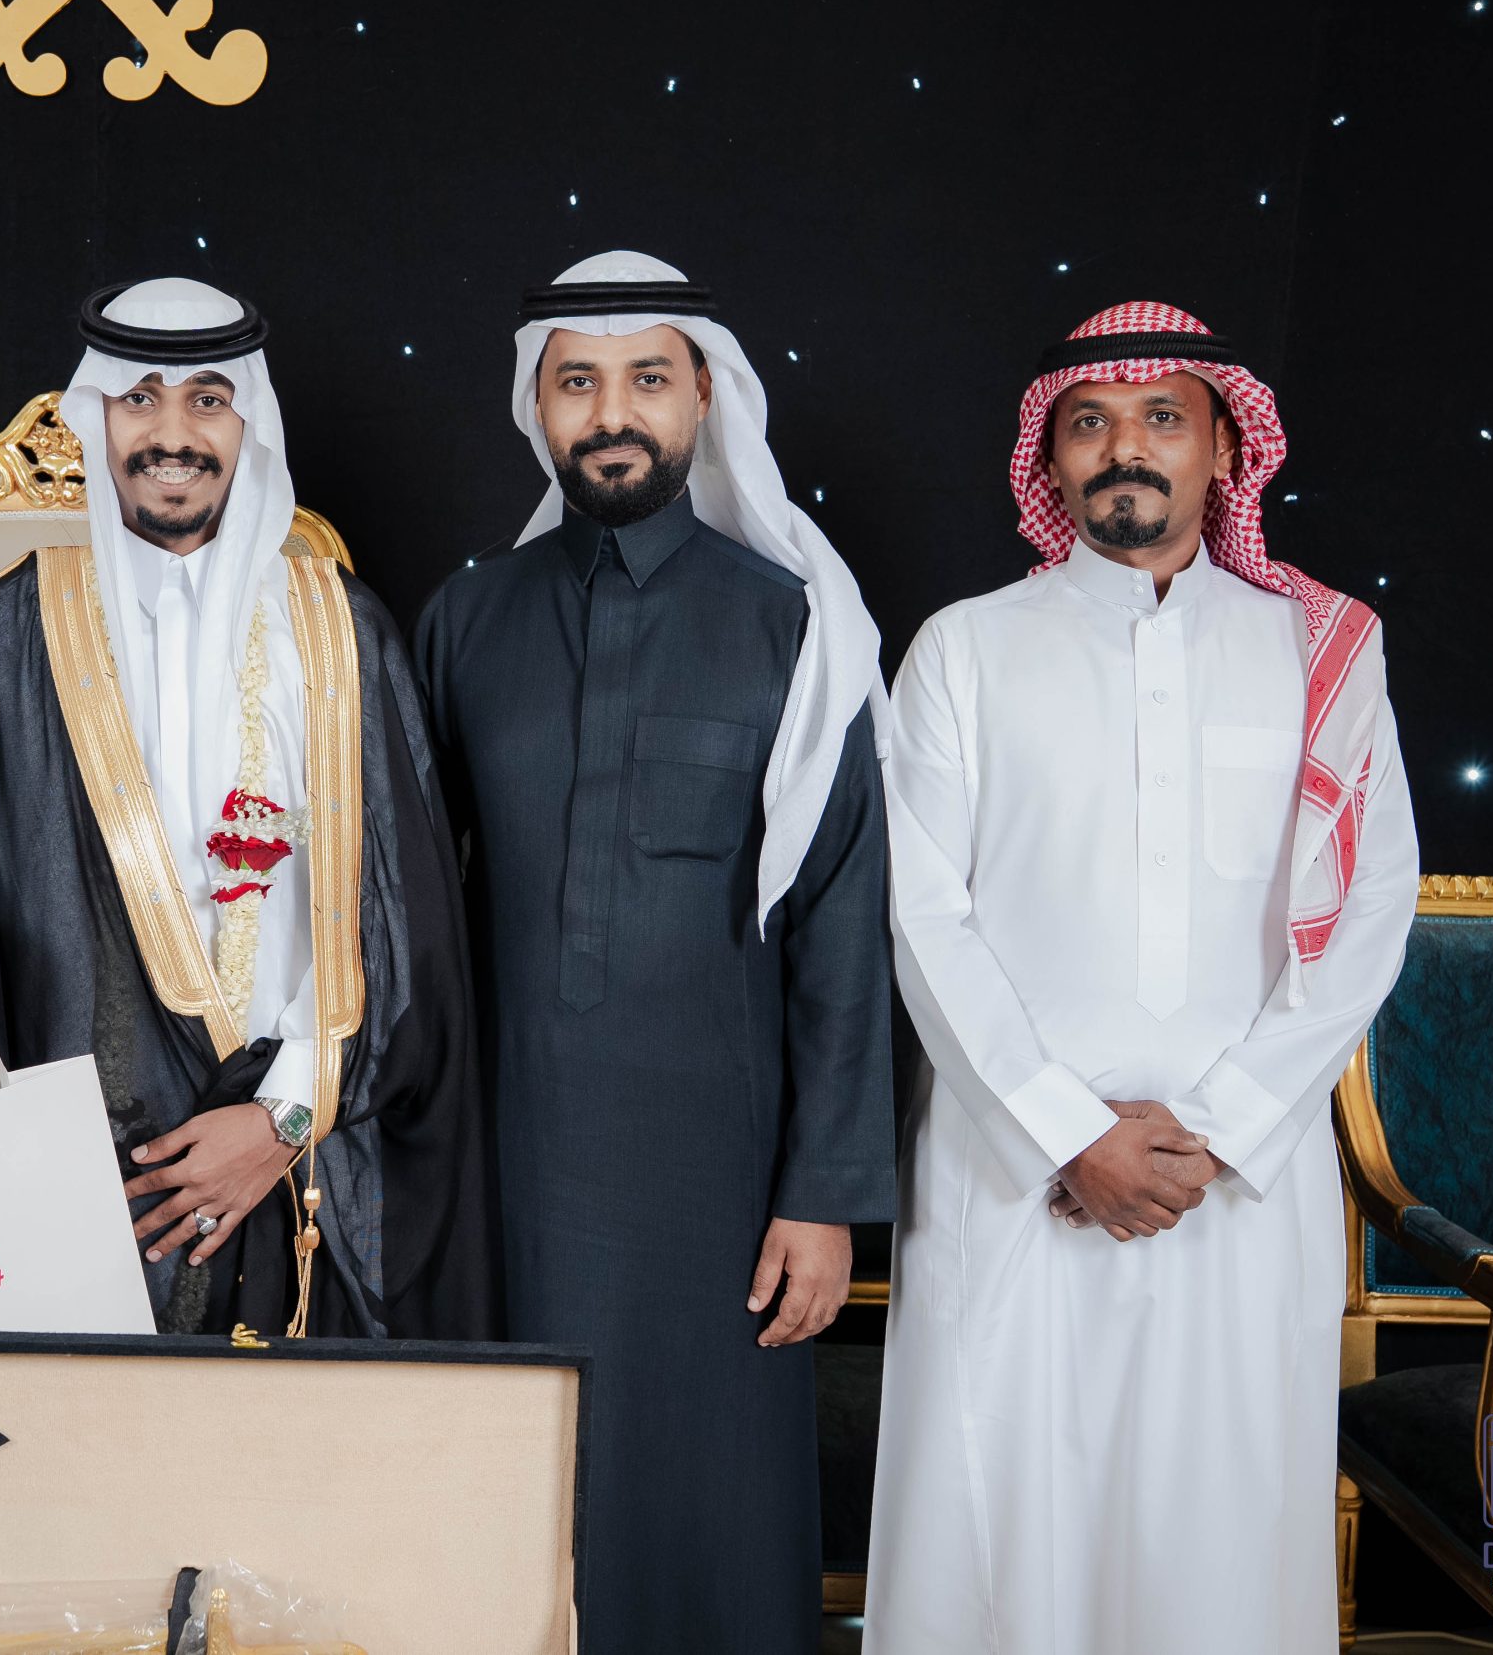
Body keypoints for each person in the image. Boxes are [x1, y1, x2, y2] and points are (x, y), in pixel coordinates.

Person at [863, 303, 1418, 1655]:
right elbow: (921, 916)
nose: (1127, 448)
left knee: (1219, 1545)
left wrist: (1214, 1129)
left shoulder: (1319, 653)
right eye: (1091, 423)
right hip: (1015, 1175)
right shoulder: (962, 649)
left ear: (1224, 445)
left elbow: (1368, 911)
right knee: (1001, 1538)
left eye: (1163, 418)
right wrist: (1071, 1132)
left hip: (1238, 1186)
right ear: (1047, 457)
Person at [414, 252, 896, 1654]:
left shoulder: (794, 626)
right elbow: (406, 912)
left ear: (705, 399)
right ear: (537, 407)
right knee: (517, 1510)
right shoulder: (464, 619)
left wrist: (824, 1195)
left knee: (710, 1529)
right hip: (506, 1171)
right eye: (578, 382)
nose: (611, 413)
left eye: (645, 380)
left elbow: (845, 923)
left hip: (724, 1189)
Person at [0, 279, 491, 1340]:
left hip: (305, 1162)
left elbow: (410, 930)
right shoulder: (5, 639)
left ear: (249, 422)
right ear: (96, 418)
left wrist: (282, 1119)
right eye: (140, 400)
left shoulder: (342, 634)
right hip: (86, 1177)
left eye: (207, 400)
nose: (172, 435)